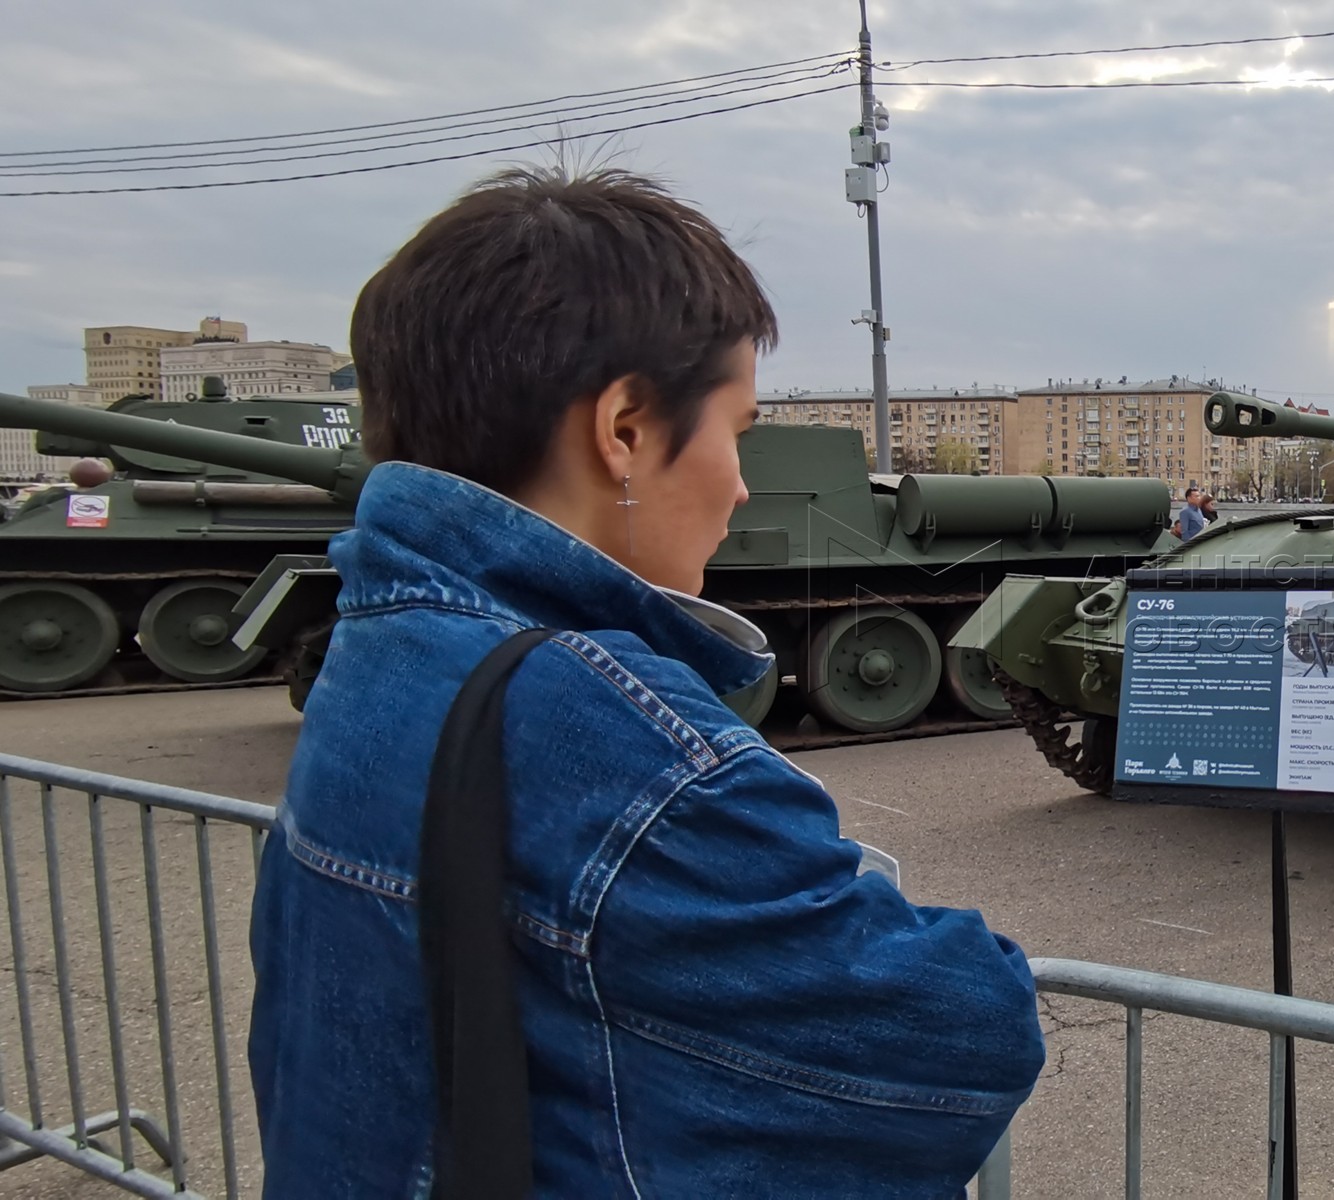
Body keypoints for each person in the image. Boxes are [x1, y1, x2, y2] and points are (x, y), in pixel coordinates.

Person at [246, 166, 1044, 1195]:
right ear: (625, 430)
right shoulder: (621, 742)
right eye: (736, 429)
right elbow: (960, 1031)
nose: (742, 482)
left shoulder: (381, 641)